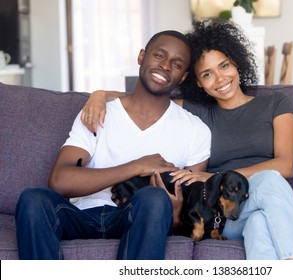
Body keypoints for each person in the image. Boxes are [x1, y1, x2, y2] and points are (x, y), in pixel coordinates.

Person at [83, 20, 293, 260]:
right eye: (207, 74)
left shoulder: (276, 104)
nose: (220, 79)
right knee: (263, 199)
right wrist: (100, 95)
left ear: (236, 62)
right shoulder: (199, 111)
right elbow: (145, 98)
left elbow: (285, 166)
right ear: (198, 82)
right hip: (223, 213)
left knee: (260, 214)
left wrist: (216, 178)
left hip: (267, 199)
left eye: (224, 66)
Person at [14, 30, 211, 260]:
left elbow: (191, 214)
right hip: (79, 215)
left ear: (184, 77)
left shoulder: (196, 131)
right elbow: (59, 180)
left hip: (137, 217)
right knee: (32, 199)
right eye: (159, 55)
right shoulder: (98, 111)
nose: (166, 66)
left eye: (176, 64)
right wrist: (136, 166)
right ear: (141, 57)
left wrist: (175, 213)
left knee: (154, 199)